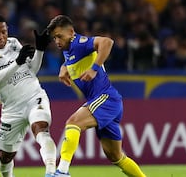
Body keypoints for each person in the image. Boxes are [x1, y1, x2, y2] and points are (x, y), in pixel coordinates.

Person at [45, 15, 146, 177]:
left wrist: (94, 68)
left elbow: (107, 42)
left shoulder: (79, 43)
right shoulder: (68, 49)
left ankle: (62, 171)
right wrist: (64, 66)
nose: (56, 41)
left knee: (73, 123)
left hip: (105, 98)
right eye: (54, 38)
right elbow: (74, 58)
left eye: (59, 36)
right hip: (106, 102)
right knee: (116, 157)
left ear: (71, 32)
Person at [0, 13, 57, 177]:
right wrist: (17, 61)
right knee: (5, 158)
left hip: (34, 96)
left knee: (41, 129)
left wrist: (39, 50)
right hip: (12, 109)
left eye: (4, 32)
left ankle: (52, 172)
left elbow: (31, 70)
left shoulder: (13, 43)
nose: (1, 36)